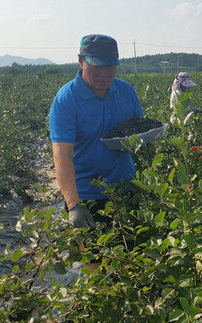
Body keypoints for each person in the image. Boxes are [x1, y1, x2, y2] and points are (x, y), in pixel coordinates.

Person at [49, 34, 144, 228]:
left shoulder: (126, 91)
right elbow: (62, 156)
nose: (104, 73)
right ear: (81, 61)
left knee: (131, 253)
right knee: (94, 256)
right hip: (86, 196)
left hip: (126, 189)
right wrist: (74, 204)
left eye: (110, 66)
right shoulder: (67, 100)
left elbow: (140, 129)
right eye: (97, 66)